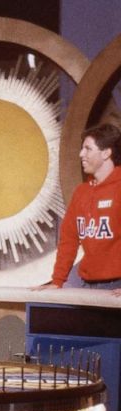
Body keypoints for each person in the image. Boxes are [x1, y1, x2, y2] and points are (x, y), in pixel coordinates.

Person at [36, 123, 121, 296]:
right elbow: (69, 240)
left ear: (106, 153)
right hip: (88, 286)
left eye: (88, 149)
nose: (81, 154)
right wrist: (57, 281)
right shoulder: (81, 192)